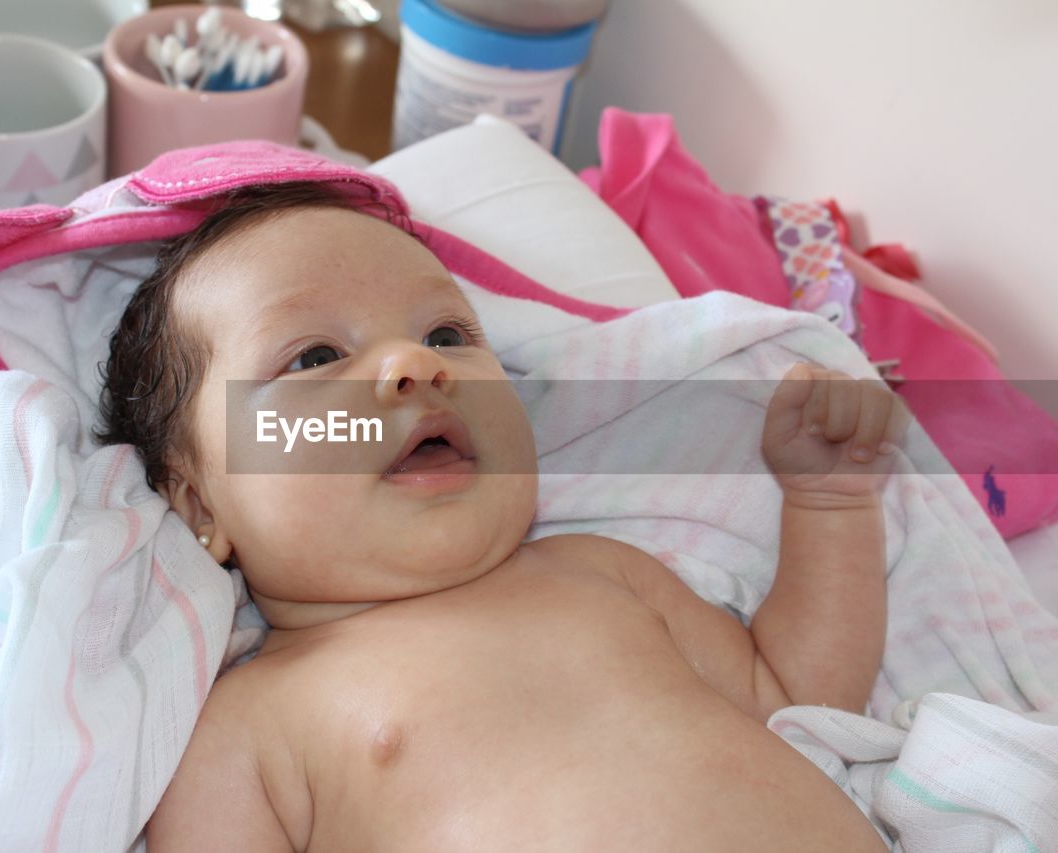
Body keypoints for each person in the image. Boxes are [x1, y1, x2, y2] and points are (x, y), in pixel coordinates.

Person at [98, 181, 906, 851]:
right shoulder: (250, 725)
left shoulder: (602, 574)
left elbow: (796, 697)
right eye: (315, 357)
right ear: (203, 506)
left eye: (446, 333)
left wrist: (829, 502)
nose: (416, 364)